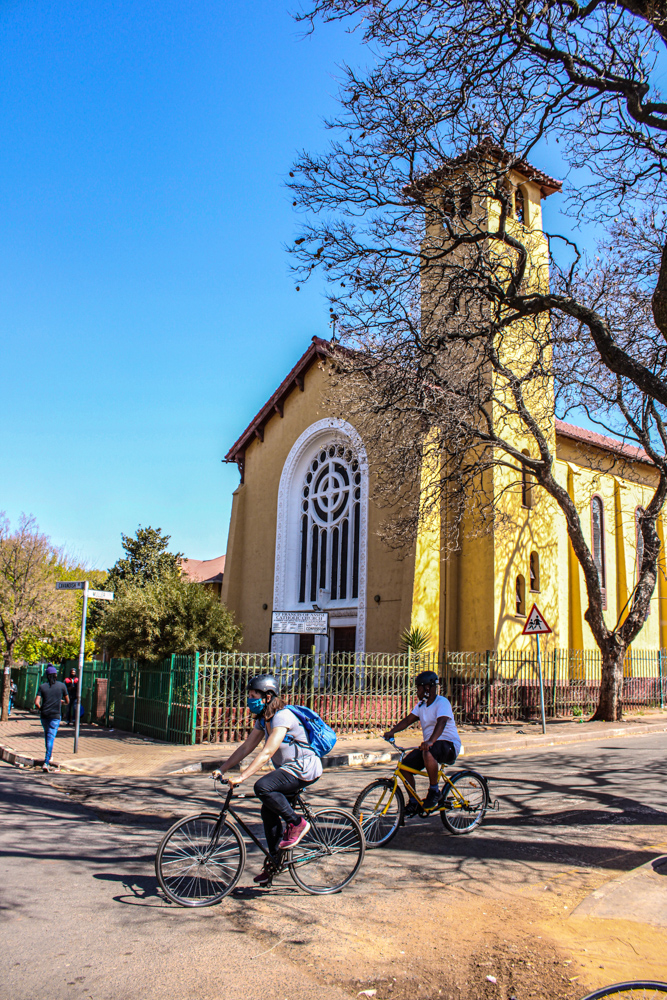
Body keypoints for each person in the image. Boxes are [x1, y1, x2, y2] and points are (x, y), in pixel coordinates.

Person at [213, 674, 322, 886]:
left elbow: (266, 752)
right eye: (249, 695)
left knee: (263, 787)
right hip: (289, 770)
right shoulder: (265, 719)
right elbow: (246, 747)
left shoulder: (283, 716)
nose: (250, 700)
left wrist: (243, 777)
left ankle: (298, 823)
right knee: (268, 810)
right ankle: (274, 862)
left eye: (254, 695)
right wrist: (222, 769)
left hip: (303, 769)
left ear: (268, 697)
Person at [384, 670, 461, 817]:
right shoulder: (421, 706)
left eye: (418, 689)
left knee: (428, 751)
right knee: (404, 767)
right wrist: (392, 732)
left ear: (427, 688)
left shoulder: (442, 702)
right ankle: (413, 802)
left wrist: (431, 741)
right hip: (430, 746)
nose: (417, 692)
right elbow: (408, 720)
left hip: (449, 745)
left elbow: (442, 722)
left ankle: (434, 791)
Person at [34, 665, 69, 773]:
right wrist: (61, 702)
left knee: (47, 736)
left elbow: (36, 702)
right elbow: (67, 701)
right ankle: (47, 761)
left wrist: (41, 709)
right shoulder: (62, 686)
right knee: (51, 737)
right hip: (55, 716)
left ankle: (49, 755)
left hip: (44, 715)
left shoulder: (42, 687)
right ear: (55, 675)